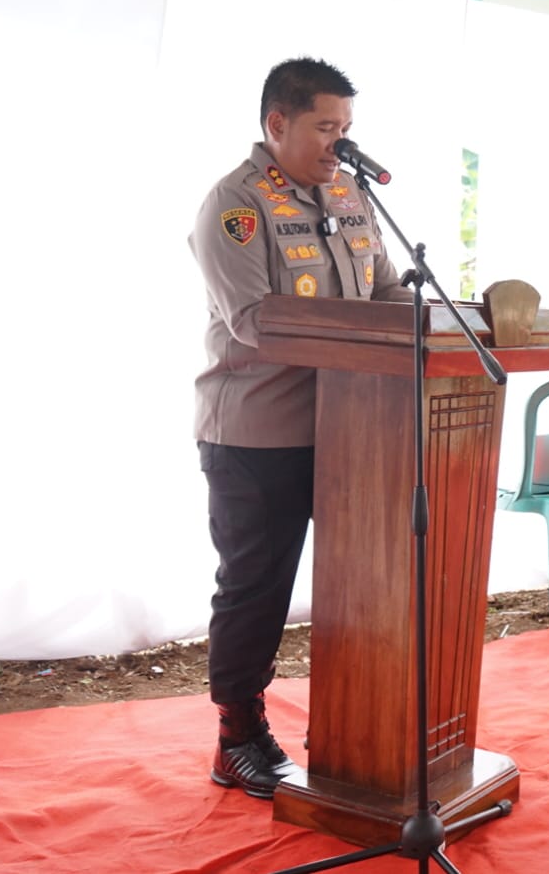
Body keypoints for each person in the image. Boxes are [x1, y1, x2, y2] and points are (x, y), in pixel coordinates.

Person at [189, 57, 404, 799]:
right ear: (278, 123)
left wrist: (439, 317)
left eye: (346, 128)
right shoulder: (236, 205)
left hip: (352, 429)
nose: (339, 143)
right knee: (257, 587)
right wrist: (363, 332)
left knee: (362, 581)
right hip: (258, 433)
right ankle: (237, 735)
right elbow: (254, 321)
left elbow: (382, 288)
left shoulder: (349, 193)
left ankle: (356, 728)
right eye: (325, 127)